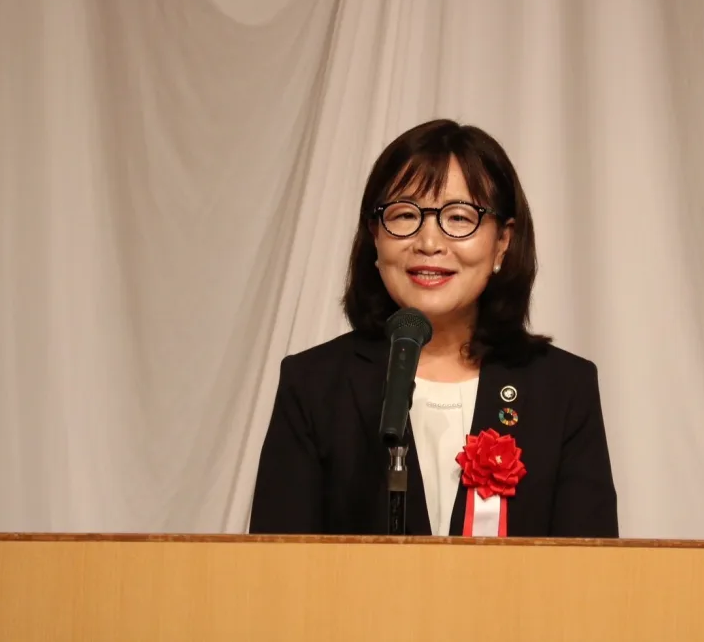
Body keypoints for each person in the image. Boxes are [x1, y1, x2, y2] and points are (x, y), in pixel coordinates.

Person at [249, 119, 618, 538]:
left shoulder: (563, 389)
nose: (428, 243)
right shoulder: (314, 385)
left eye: (459, 217)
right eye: (405, 215)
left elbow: (592, 569)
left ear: (502, 241)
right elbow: (274, 565)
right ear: (375, 236)